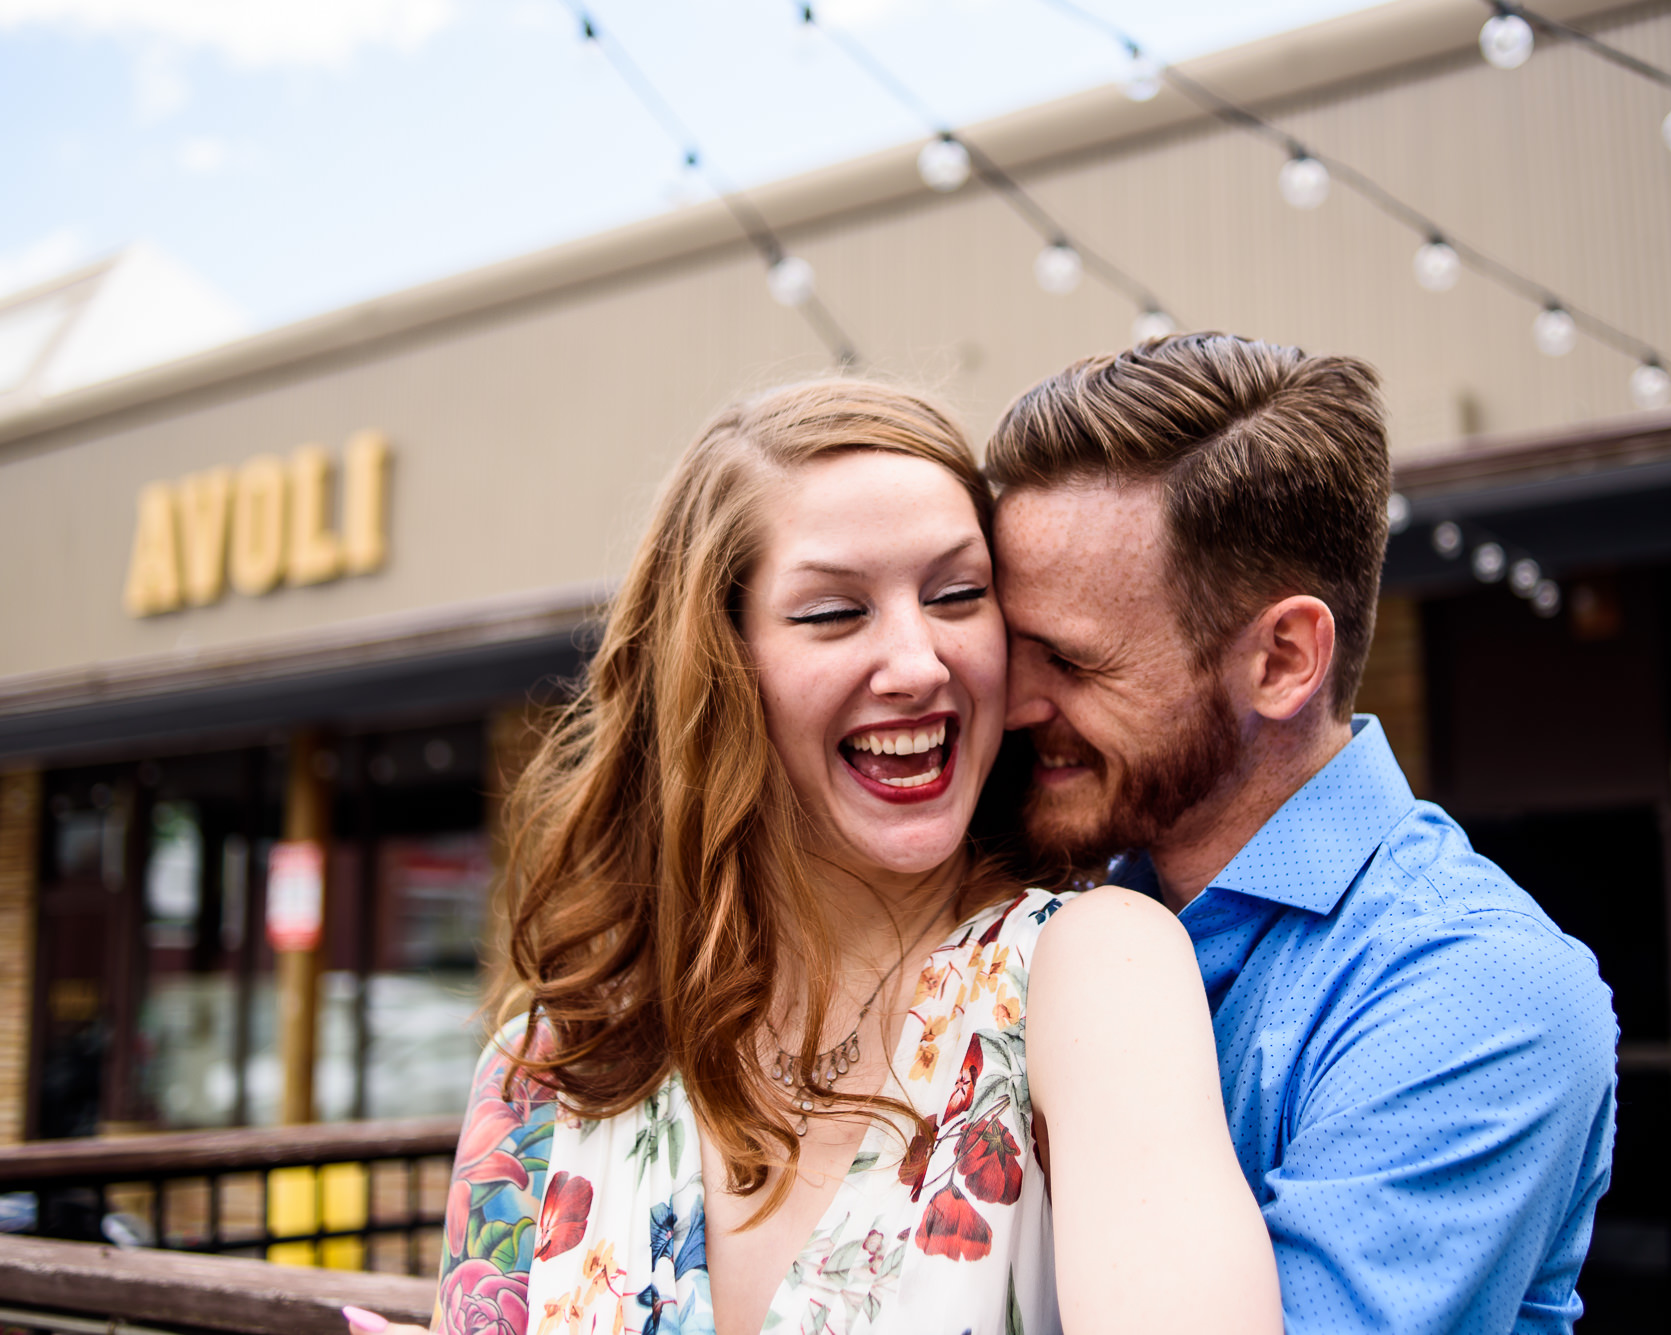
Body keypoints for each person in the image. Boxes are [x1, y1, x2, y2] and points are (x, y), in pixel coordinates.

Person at [344, 380, 1280, 1335]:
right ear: (719, 663)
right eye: (834, 613)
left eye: (958, 595)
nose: (918, 664)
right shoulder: (545, 1067)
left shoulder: (1092, 971)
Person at [983, 333, 1620, 1333]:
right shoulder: (1038, 912)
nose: (1010, 704)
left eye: (1070, 662)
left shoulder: (1473, 992)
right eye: (1006, 650)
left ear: (1281, 659)